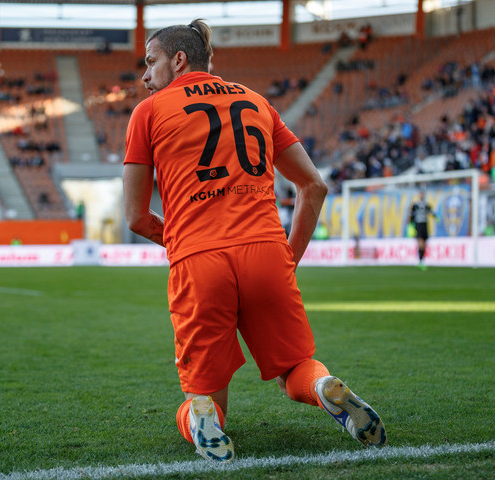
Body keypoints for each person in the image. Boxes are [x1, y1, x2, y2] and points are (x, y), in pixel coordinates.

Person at [123, 19, 387, 463]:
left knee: (206, 399)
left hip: (198, 260)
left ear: (179, 59)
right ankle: (325, 388)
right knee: (295, 372)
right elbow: (314, 187)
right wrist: (287, 258)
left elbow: (134, 216)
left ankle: (204, 417)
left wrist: (188, 242)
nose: (145, 76)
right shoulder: (257, 102)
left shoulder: (147, 113)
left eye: (151, 63)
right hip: (266, 252)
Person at [409, 190, 437, 270]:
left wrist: (436, 217)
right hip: (418, 226)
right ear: (418, 195)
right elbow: (411, 215)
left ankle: (421, 260)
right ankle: (420, 261)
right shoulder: (415, 205)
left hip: (425, 226)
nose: (421, 195)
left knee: (424, 244)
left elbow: (431, 212)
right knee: (420, 243)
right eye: (420, 194)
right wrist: (411, 225)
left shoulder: (425, 205)